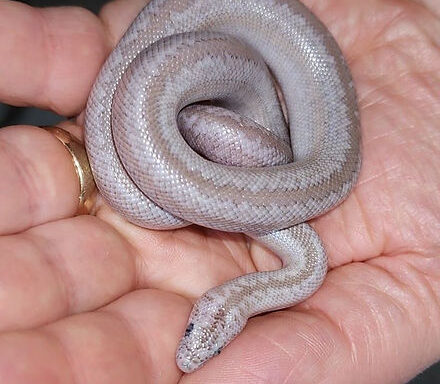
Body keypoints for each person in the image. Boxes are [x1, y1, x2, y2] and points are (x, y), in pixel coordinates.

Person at [0, 0, 439, 382]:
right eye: (199, 335)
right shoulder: (304, 262)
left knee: (193, 141)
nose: (192, 346)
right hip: (182, 86)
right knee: (189, 126)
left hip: (187, 96)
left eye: (194, 334)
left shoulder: (307, 263)